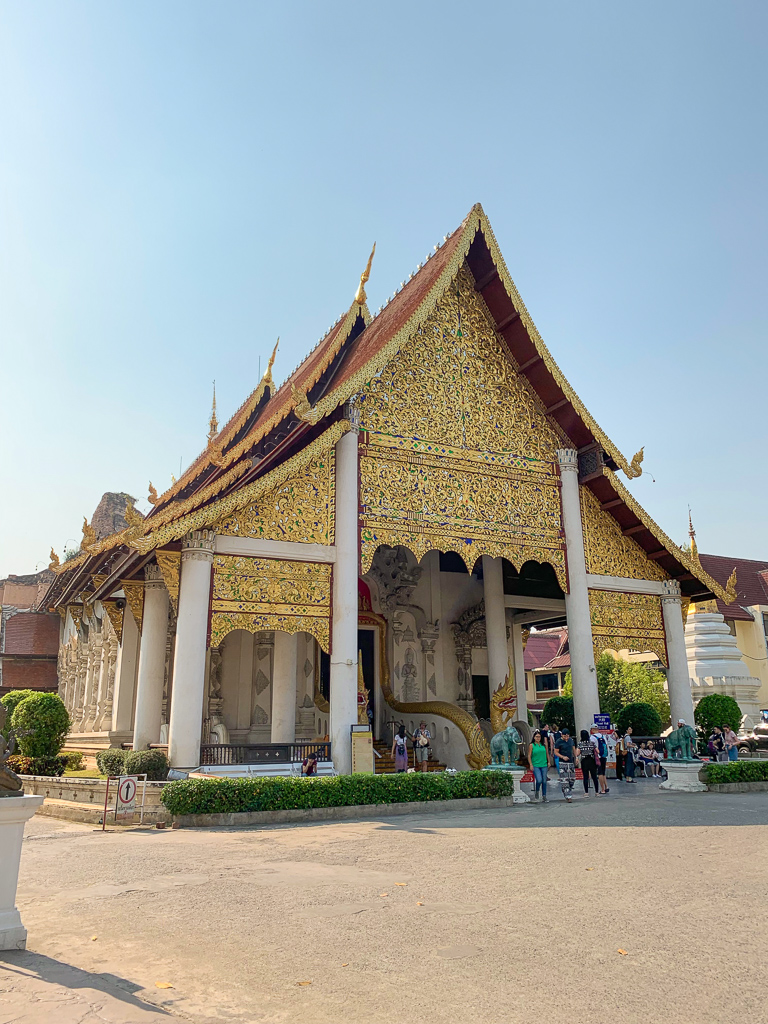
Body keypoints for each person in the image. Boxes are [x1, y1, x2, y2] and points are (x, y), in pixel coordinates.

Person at [555, 728, 576, 802]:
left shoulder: (571, 740)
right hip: (562, 762)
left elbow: (574, 749)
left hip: (570, 762)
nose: (566, 738)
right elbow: (556, 752)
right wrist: (562, 757)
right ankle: (568, 796)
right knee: (565, 780)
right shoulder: (558, 742)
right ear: (562, 735)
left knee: (572, 779)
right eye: (564, 736)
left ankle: (568, 790)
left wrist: (576, 758)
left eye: (567, 736)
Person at [528, 729, 549, 803]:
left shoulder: (543, 745)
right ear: (534, 737)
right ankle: (537, 791)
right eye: (536, 737)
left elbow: (547, 753)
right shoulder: (532, 745)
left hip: (544, 764)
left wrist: (549, 762)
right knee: (539, 780)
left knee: (544, 781)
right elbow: (529, 755)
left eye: (539, 737)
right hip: (536, 764)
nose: (538, 738)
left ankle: (544, 795)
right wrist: (531, 764)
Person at [578, 730, 600, 795]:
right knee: (594, 776)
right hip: (592, 760)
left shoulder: (580, 744)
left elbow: (577, 753)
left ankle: (586, 792)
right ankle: (596, 792)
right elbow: (598, 751)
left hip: (584, 761)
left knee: (585, 777)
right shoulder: (592, 743)